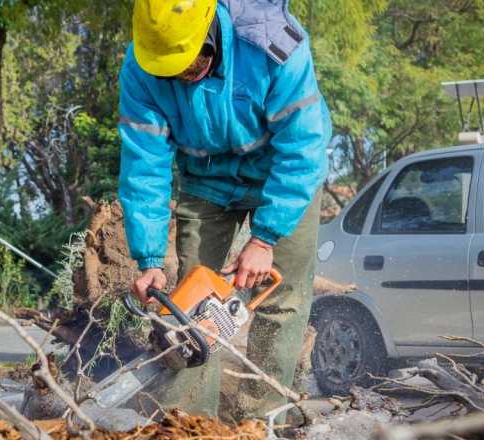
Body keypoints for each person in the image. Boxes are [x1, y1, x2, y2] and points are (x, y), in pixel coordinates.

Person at [117, 0, 331, 421]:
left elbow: (303, 148)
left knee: (281, 300)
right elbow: (144, 166)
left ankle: (263, 419)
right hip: (206, 178)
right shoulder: (140, 68)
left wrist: (266, 237)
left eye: (190, 61)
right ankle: (191, 422)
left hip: (282, 170)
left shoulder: (273, 44)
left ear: (209, 28)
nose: (182, 75)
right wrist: (148, 259)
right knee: (190, 305)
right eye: (172, 68)